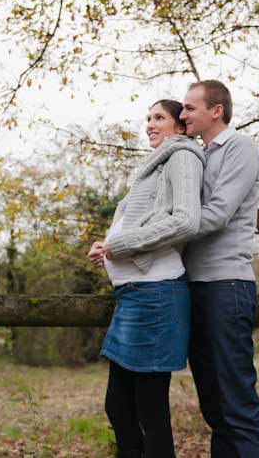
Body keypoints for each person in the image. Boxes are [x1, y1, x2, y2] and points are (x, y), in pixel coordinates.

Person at [87, 99, 205, 458]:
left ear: (180, 127)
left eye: (159, 118)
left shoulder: (182, 156)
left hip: (156, 297)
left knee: (149, 412)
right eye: (147, 119)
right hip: (134, 298)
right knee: (119, 408)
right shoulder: (156, 164)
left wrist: (118, 244)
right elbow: (140, 225)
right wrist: (106, 248)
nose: (150, 125)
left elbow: (185, 220)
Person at [179, 79, 259, 457]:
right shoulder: (199, 155)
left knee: (237, 403)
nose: (182, 114)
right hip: (195, 287)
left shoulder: (239, 149)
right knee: (215, 408)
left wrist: (156, 234)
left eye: (190, 107)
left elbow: (217, 214)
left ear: (216, 111)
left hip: (226, 286)